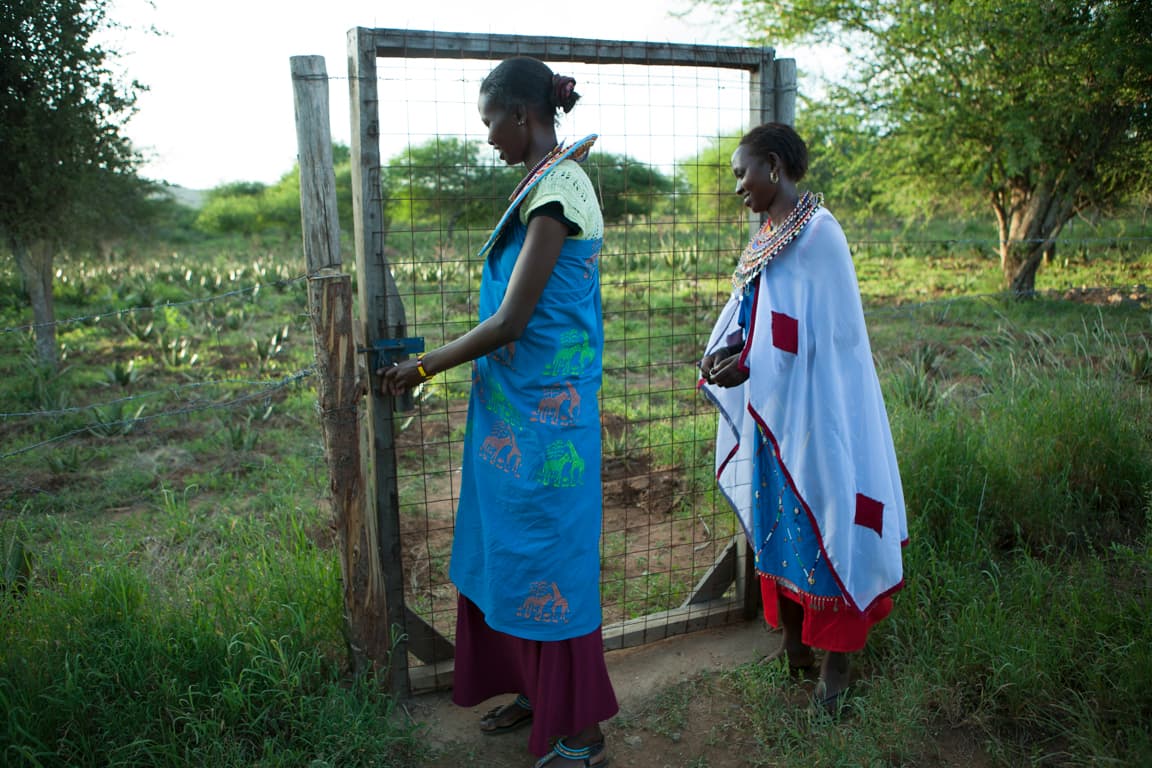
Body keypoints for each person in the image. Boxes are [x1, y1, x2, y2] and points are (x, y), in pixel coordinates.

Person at [381, 56, 615, 767]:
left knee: (551, 562)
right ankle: (533, 690)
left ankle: (580, 730)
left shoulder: (560, 190)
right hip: (514, 412)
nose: (487, 139)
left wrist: (421, 366)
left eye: (490, 122)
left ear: (522, 115)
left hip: (548, 421)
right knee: (508, 554)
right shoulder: (542, 185)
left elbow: (514, 321)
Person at [698, 122, 907, 713]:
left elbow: (833, 338)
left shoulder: (819, 234)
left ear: (772, 165)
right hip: (776, 418)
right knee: (780, 531)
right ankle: (795, 647)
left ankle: (836, 671)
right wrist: (730, 351)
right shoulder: (768, 234)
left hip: (822, 418)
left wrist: (753, 361)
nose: (738, 186)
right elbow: (756, 314)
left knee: (832, 525)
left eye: (742, 173)